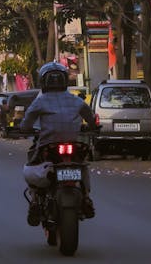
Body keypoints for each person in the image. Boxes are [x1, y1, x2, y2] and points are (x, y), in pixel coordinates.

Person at [20, 62, 97, 224]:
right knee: (82, 164)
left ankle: (34, 201)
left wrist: (24, 129)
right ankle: (87, 198)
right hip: (75, 144)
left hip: (48, 145)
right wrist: (93, 128)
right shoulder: (76, 100)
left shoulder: (40, 101)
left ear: (43, 81)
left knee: (31, 162)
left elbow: (27, 123)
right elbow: (90, 118)